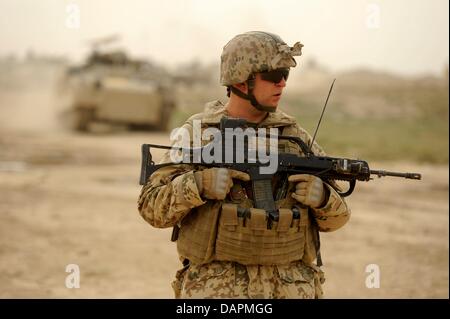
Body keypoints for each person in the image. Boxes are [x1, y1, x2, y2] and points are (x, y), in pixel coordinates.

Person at [138, 31, 351, 299]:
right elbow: (151, 208)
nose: (282, 84)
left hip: (291, 288)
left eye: (286, 75)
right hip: (218, 290)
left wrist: (322, 198)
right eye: (273, 76)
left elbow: (339, 219)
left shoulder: (294, 137)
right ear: (241, 80)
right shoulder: (198, 133)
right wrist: (197, 185)